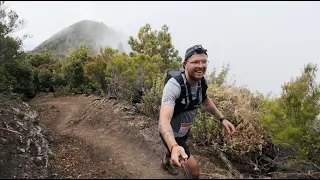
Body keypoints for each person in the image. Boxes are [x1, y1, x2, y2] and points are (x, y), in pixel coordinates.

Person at [158, 44, 236, 179]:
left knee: (173, 149)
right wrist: (174, 145)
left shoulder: (202, 82)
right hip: (172, 132)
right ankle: (172, 152)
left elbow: (205, 101)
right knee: (195, 171)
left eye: (204, 61)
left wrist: (222, 118)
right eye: (195, 62)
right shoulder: (174, 86)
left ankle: (166, 161)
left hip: (184, 129)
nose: (201, 65)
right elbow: (163, 122)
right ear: (185, 64)